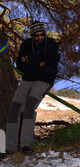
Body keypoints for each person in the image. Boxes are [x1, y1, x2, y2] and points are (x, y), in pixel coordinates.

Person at [5, 21, 60, 153]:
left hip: (44, 81)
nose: (40, 37)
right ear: (32, 35)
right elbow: (20, 65)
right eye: (36, 35)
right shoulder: (26, 45)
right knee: (14, 110)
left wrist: (31, 64)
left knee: (29, 106)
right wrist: (39, 64)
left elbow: (51, 67)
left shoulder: (51, 44)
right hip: (27, 80)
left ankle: (26, 144)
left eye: (42, 34)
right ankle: (10, 147)